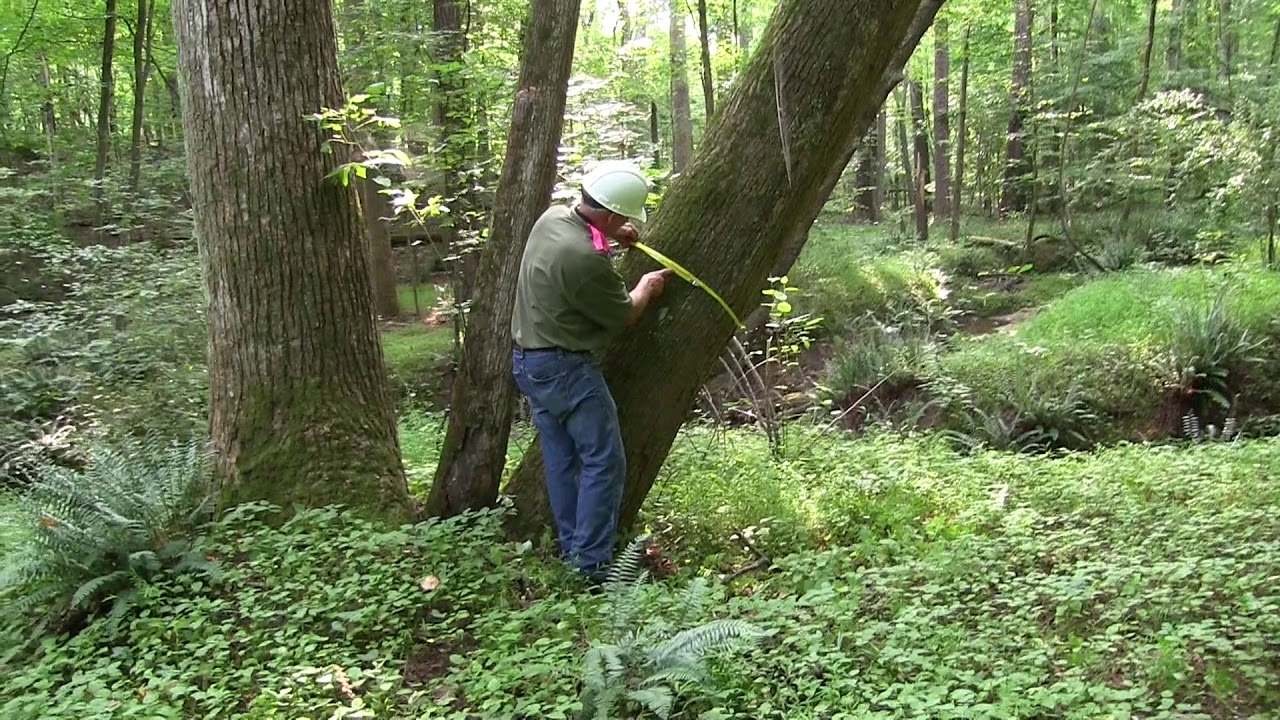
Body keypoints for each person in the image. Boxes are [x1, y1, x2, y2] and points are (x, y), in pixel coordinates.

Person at [510, 161, 672, 584]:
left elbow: (591, 232)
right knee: (604, 461)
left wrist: (613, 234)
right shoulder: (584, 259)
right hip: (565, 369)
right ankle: (592, 566)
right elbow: (624, 315)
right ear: (615, 215)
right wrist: (646, 288)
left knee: (562, 460)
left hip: (529, 364)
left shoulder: (551, 219)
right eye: (623, 221)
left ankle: (573, 550)